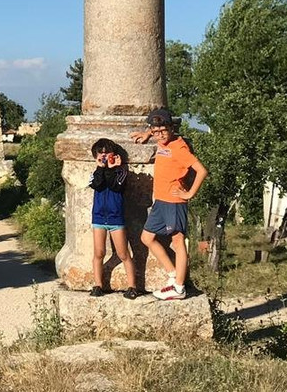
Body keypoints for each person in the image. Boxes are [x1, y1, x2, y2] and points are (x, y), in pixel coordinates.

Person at [131, 107, 207, 300]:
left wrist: (189, 193)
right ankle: (173, 275)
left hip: (174, 201)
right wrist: (147, 134)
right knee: (147, 238)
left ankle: (179, 287)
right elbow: (157, 129)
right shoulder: (161, 139)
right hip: (161, 201)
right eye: (155, 131)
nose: (159, 134)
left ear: (171, 128)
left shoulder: (179, 147)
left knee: (178, 242)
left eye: (162, 130)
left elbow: (201, 170)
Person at [88, 137, 141, 299]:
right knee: (99, 252)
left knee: (123, 253)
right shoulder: (96, 172)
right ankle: (98, 284)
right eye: (101, 154)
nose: (104, 156)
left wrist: (112, 168)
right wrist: (100, 168)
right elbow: (96, 184)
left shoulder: (121, 172)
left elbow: (115, 186)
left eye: (107, 153)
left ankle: (132, 286)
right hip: (99, 218)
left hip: (115, 218)